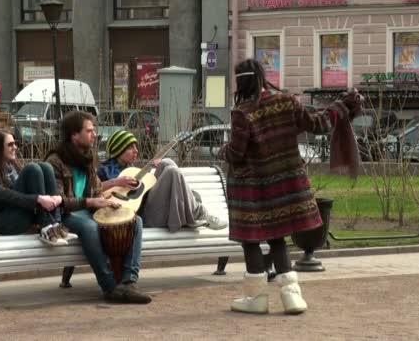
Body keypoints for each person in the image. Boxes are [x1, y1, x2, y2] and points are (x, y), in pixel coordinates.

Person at [220, 59, 363, 315]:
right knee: (278, 236)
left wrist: (222, 151)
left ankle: (256, 298)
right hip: (285, 185)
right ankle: (291, 296)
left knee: (250, 240)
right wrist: (341, 106)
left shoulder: (242, 112)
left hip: (251, 188)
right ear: (263, 77)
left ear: (240, 81)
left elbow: (237, 153)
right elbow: (319, 124)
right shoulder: (287, 102)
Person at [45, 111, 151, 304]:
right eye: (89, 131)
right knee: (89, 226)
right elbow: (58, 200)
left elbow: (95, 189)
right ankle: (109, 287)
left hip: (87, 210)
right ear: (74, 135)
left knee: (135, 220)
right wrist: (91, 202)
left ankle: (129, 282)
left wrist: (106, 199)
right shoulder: (55, 161)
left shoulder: (87, 156)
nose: (94, 135)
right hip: (66, 215)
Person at [97, 129, 227, 232]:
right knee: (172, 171)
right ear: (119, 149)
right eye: (131, 147)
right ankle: (198, 211)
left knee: (166, 162)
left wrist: (151, 172)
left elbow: (143, 193)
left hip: (152, 208)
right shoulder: (104, 170)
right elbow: (92, 190)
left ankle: (191, 208)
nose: (136, 151)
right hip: (142, 218)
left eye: (136, 147)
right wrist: (116, 182)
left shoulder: (132, 169)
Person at [0, 130, 76, 246]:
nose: (15, 147)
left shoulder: (13, 166)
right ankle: (47, 227)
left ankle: (56, 226)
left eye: (14, 143)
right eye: (10, 145)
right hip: (6, 223)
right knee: (32, 169)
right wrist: (37, 199)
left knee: (46, 167)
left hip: (26, 214)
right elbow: (3, 194)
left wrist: (51, 199)